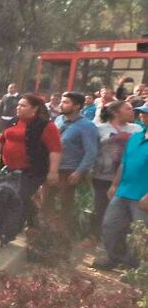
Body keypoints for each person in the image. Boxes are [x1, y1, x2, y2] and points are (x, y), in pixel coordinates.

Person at [0, 94, 62, 223]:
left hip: (31, 171)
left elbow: (55, 150)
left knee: (18, 196)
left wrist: (53, 171)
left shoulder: (46, 126)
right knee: (5, 195)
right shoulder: (14, 121)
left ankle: (27, 222)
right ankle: (21, 223)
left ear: (34, 109)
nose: (18, 107)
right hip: (8, 169)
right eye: (18, 105)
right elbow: (1, 140)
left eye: (23, 105)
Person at [95, 103, 148, 270]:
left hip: (142, 195)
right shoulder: (136, 137)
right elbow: (124, 163)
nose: (143, 116)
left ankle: (135, 267)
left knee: (140, 234)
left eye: (146, 114)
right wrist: (115, 184)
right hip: (123, 191)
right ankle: (113, 258)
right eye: (142, 113)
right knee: (111, 225)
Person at [45, 92, 99, 227]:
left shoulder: (87, 125)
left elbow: (91, 152)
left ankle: (62, 238)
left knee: (65, 205)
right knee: (46, 202)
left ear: (77, 106)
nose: (61, 105)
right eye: (61, 102)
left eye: (66, 102)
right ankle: (44, 233)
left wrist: (79, 172)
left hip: (69, 171)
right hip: (52, 168)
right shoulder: (58, 120)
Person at [90, 100, 141, 238]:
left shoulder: (137, 129)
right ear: (115, 112)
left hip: (128, 177)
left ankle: (120, 239)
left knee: (124, 211)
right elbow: (92, 150)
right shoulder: (99, 128)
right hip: (102, 175)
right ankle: (95, 236)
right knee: (100, 206)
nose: (132, 112)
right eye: (128, 109)